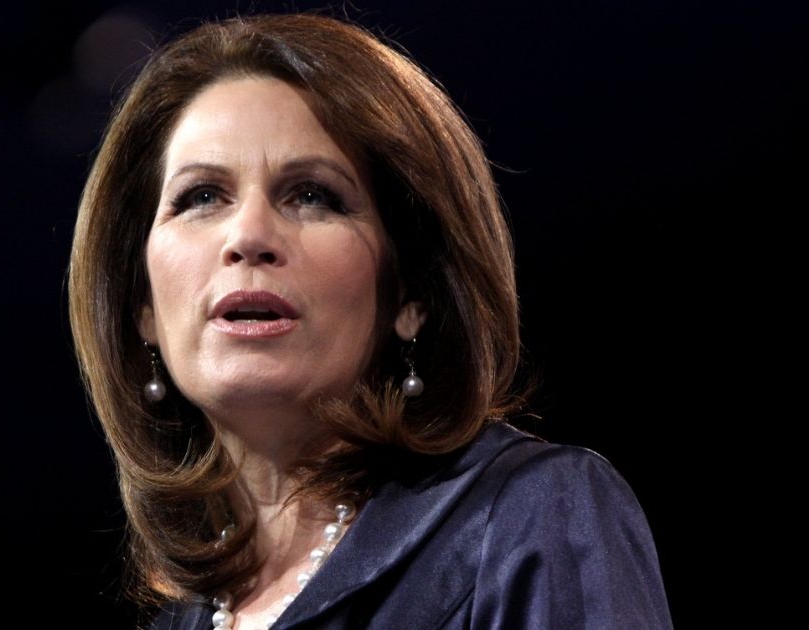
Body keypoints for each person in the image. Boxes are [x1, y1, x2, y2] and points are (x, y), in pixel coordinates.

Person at [67, 12, 673, 630]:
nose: (248, 236)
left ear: (412, 291)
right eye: (200, 197)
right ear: (142, 305)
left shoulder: (531, 518)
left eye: (312, 195)